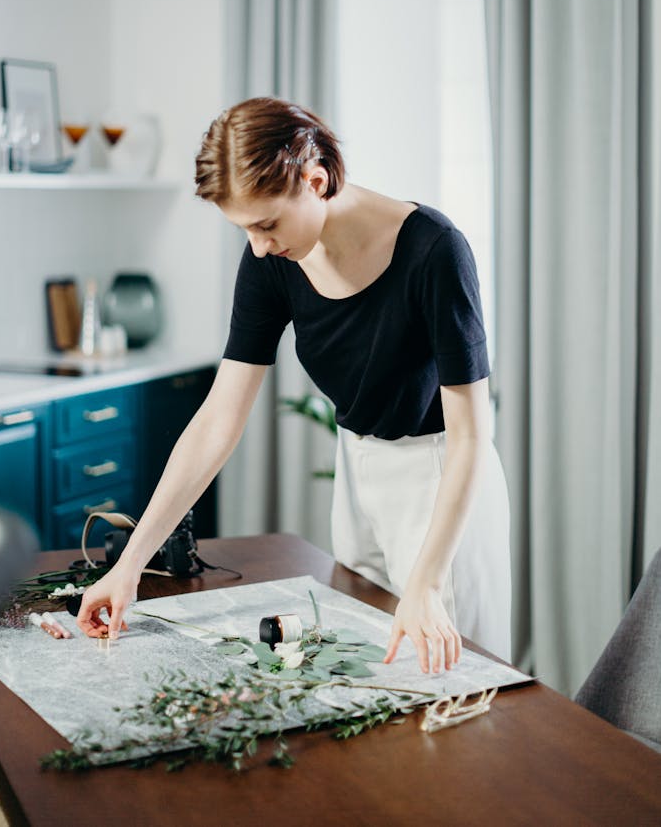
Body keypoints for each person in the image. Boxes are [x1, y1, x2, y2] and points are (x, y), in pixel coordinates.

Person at [77, 97, 511, 673]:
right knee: (370, 677)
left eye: (267, 224)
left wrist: (428, 579)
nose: (258, 245)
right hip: (357, 472)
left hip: (441, 479)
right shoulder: (272, 260)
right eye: (246, 229)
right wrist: (130, 563)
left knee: (457, 689)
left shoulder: (434, 251)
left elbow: (471, 435)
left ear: (316, 179)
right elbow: (217, 420)